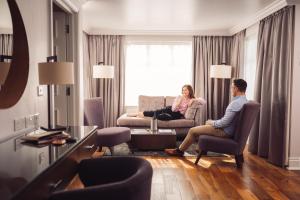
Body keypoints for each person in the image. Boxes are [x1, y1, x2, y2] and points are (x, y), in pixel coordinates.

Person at [165, 79, 248, 156]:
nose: (231, 90)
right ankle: (202, 149)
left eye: (232, 87)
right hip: (231, 131)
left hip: (225, 132)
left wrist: (211, 122)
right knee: (204, 126)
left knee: (192, 130)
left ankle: (179, 151)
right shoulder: (245, 101)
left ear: (236, 89)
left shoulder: (235, 103)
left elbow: (224, 123)